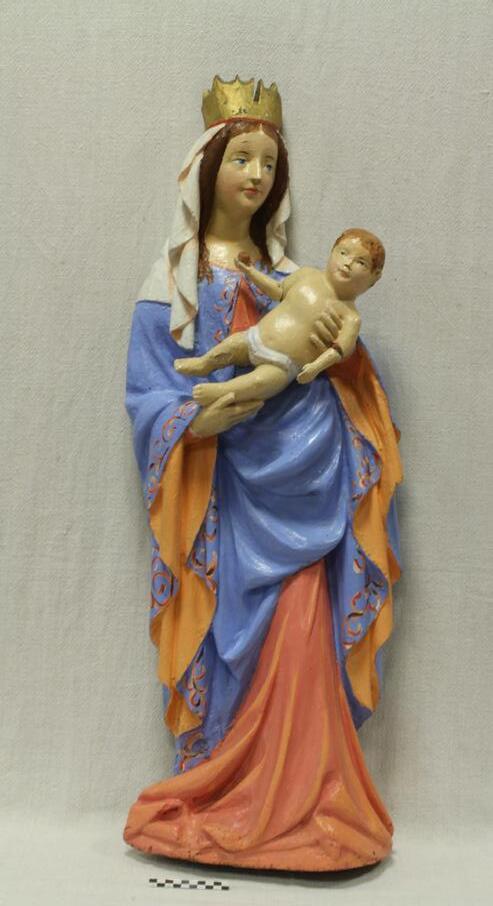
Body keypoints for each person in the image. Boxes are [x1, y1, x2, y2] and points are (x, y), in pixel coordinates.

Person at [123, 76, 403, 871]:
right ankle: (228, 784)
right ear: (204, 167)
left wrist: (342, 362)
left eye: (268, 163)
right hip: (225, 491)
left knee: (302, 626)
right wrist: (193, 421)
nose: (254, 174)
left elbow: (344, 366)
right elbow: (147, 392)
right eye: (240, 157)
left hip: (304, 478)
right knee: (228, 636)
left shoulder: (297, 273)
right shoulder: (172, 280)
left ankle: (307, 796)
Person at [175, 228, 385, 403]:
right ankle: (204, 363)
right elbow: (278, 290)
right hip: (257, 336)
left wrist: (315, 368)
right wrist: (250, 272)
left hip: (283, 363)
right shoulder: (307, 274)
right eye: (343, 253)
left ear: (373, 278)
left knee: (260, 383)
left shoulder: (350, 317)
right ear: (332, 252)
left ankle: (221, 392)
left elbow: (338, 350)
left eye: (361, 262)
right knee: (230, 346)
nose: (348, 263)